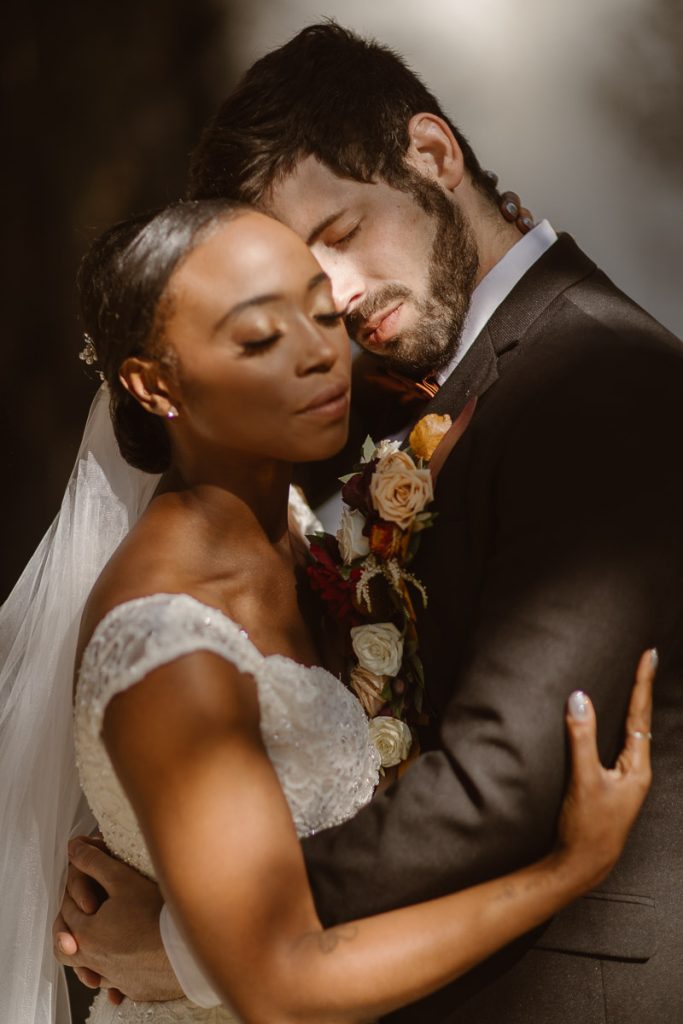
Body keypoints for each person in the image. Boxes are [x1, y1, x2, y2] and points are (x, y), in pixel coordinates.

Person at [56, 23, 683, 1024]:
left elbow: (501, 780)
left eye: (340, 237)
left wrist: (195, 933)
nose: (337, 304)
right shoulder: (355, 403)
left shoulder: (602, 377)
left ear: (431, 156)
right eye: (301, 282)